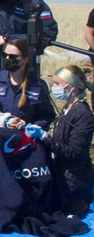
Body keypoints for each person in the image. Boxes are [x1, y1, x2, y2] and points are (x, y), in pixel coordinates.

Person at [29, 67, 94, 207]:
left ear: (71, 87)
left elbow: (73, 152)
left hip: (75, 187)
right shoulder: (66, 109)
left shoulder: (83, 114)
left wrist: (45, 137)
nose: (54, 87)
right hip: (62, 180)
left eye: (57, 84)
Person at [0, 39, 55, 130]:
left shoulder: (38, 85)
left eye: (13, 56)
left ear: (25, 59)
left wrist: (32, 126)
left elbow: (47, 115)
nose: (7, 59)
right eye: (5, 55)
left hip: (24, 135)